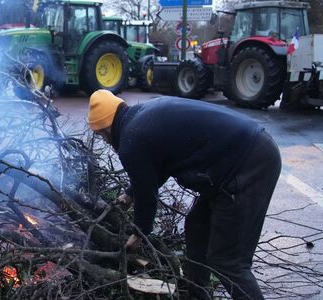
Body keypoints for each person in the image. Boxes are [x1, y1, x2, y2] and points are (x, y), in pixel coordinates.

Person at [87, 90, 281, 300]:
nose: (105, 140)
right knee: (197, 227)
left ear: (106, 129)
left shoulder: (130, 141)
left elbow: (147, 194)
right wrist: (129, 194)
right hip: (239, 159)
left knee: (229, 261)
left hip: (248, 165)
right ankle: (198, 295)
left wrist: (140, 232)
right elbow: (154, 169)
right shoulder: (139, 120)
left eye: (101, 135)